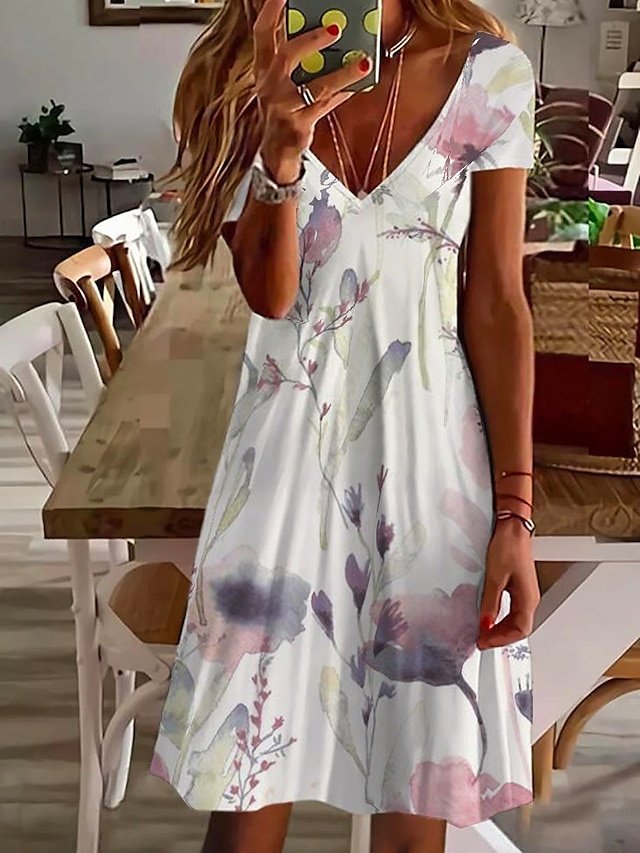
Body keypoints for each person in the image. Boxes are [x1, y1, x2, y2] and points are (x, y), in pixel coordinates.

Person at [150, 1, 541, 851]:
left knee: (416, 793)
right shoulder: (247, 70)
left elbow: (497, 302)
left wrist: (516, 511)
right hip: (281, 464)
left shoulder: (490, 74)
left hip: (432, 465)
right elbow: (271, 296)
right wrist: (280, 151)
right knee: (243, 791)